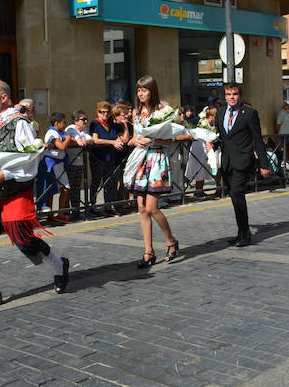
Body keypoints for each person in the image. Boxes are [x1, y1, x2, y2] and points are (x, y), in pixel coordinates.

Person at [0, 80, 69, 310]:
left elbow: (31, 159)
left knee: (23, 240)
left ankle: (58, 265)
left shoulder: (19, 123)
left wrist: (6, 173)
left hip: (14, 187)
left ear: (3, 97)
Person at [127, 76, 180, 267]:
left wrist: (153, 141)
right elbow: (132, 138)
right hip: (141, 160)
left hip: (157, 159)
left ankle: (171, 241)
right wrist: (135, 141)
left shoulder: (162, 109)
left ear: (152, 91)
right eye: (139, 90)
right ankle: (148, 251)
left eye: (145, 90)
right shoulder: (135, 112)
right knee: (141, 207)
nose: (141, 94)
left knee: (151, 208)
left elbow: (170, 139)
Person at [214, 83, 271, 247]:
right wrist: (213, 144)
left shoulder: (249, 113)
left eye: (235, 94)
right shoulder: (220, 112)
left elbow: (258, 139)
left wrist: (264, 164)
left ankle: (245, 233)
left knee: (237, 193)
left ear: (240, 95)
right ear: (224, 96)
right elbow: (222, 136)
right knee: (234, 196)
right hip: (227, 161)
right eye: (228, 94)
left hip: (243, 160)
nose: (231, 97)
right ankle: (241, 231)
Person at [89, 101, 126, 217]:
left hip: (110, 158)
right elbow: (95, 139)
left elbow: (123, 138)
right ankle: (92, 206)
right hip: (98, 158)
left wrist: (124, 124)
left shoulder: (111, 124)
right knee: (96, 182)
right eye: (102, 112)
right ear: (97, 112)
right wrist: (112, 142)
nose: (104, 114)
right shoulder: (95, 123)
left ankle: (108, 207)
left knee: (109, 183)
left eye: (107, 112)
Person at [43, 112, 75, 224]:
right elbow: (61, 146)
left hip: (60, 164)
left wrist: (69, 139)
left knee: (66, 188)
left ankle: (60, 213)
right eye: (64, 122)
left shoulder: (62, 132)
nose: (66, 124)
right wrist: (68, 138)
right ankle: (49, 215)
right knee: (51, 190)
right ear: (57, 123)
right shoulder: (51, 133)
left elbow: (68, 142)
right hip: (51, 163)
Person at [63, 111, 92, 220]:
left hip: (80, 163)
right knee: (67, 188)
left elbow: (90, 139)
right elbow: (77, 140)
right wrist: (80, 141)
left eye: (86, 119)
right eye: (82, 119)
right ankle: (65, 212)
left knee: (76, 188)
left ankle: (76, 211)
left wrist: (85, 140)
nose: (85, 121)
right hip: (70, 162)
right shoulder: (70, 129)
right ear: (75, 121)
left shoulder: (84, 130)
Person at [184, 107, 216, 201]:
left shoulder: (212, 124)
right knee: (199, 168)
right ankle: (198, 191)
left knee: (204, 168)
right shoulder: (203, 123)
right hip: (199, 147)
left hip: (206, 147)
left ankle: (200, 190)